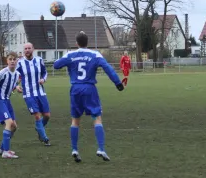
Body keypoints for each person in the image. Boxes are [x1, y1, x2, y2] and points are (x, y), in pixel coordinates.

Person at [53, 31, 124, 163]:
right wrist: (117, 83)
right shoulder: (95, 54)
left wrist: (67, 61)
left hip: (75, 89)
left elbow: (56, 65)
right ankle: (101, 148)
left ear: (76, 43)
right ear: (88, 43)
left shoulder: (70, 54)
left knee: (75, 120)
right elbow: (108, 68)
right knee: (97, 118)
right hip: (90, 88)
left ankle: (74, 149)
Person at [15, 43, 51, 146]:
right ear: (24, 51)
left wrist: (43, 79)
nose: (27, 50)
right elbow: (14, 76)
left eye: (29, 48)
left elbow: (45, 72)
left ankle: (39, 128)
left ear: (33, 49)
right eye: (25, 49)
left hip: (40, 92)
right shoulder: (20, 63)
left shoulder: (39, 60)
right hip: (28, 94)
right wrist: (16, 86)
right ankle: (45, 138)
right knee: (37, 116)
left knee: (47, 116)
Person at [0, 52, 20, 159]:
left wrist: (16, 87)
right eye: (10, 59)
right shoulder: (2, 73)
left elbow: (12, 84)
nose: (12, 61)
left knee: (14, 127)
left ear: (17, 61)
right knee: (9, 123)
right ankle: (6, 152)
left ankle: (2, 148)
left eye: (14, 59)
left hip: (7, 100)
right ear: (7, 61)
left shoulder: (16, 74)